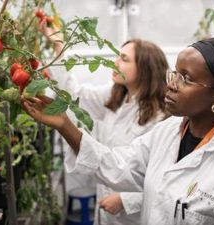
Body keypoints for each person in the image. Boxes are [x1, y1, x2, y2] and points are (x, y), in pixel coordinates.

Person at [22, 38, 214, 225]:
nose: (172, 84)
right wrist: (65, 125)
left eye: (185, 78)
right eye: (175, 74)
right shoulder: (167, 133)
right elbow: (115, 166)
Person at [40, 24, 170, 225]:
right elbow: (74, 93)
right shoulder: (117, 96)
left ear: (145, 69)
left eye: (124, 59)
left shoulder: (160, 118)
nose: (114, 63)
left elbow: (167, 181)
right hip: (106, 206)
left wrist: (127, 200)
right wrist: (59, 45)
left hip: (134, 216)